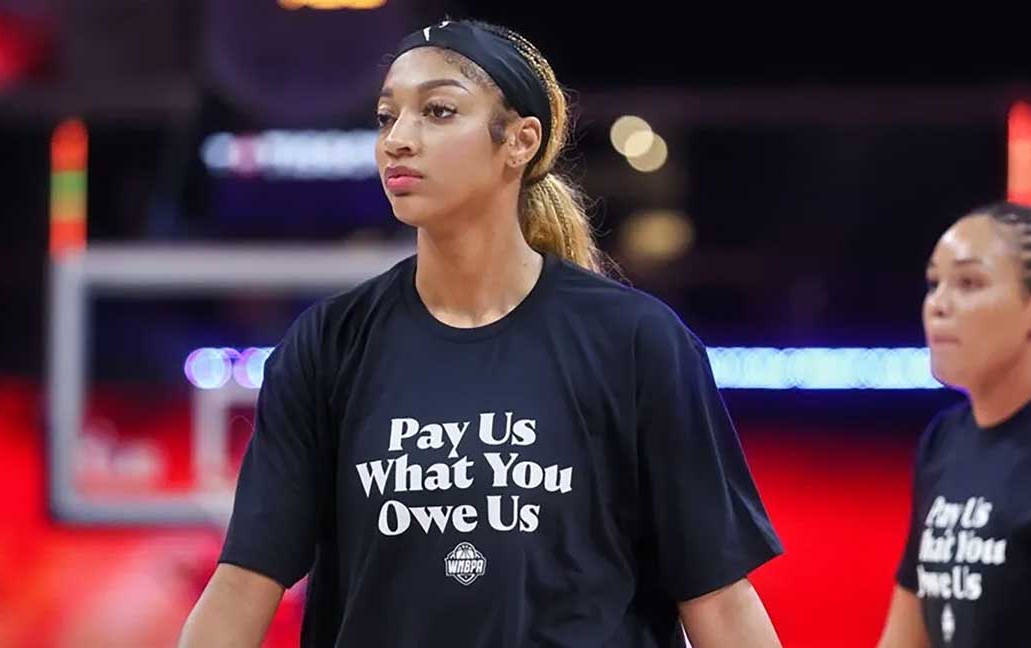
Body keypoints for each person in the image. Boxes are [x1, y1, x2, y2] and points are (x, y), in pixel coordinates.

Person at [180, 19, 782, 648]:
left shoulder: (636, 342)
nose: (399, 140)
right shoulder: (329, 344)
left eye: (438, 111)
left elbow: (720, 602)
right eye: (387, 117)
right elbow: (243, 584)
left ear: (520, 141)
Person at [877, 187, 1031, 647]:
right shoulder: (944, 440)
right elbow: (908, 631)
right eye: (934, 283)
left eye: (969, 283)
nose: (938, 304)